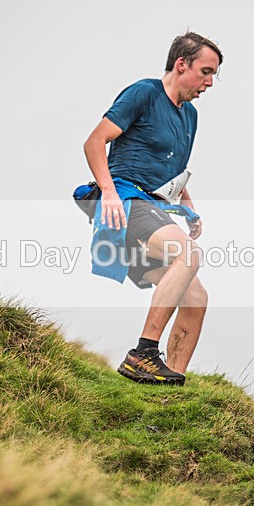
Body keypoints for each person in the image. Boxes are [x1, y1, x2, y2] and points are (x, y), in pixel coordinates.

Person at [82, 32, 223, 386]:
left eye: (214, 75)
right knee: (188, 255)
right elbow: (94, 142)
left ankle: (169, 382)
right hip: (125, 199)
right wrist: (111, 193)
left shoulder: (190, 116)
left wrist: (189, 207)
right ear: (181, 64)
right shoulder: (143, 93)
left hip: (154, 207)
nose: (209, 82)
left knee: (196, 297)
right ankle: (143, 354)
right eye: (206, 71)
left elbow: (174, 170)